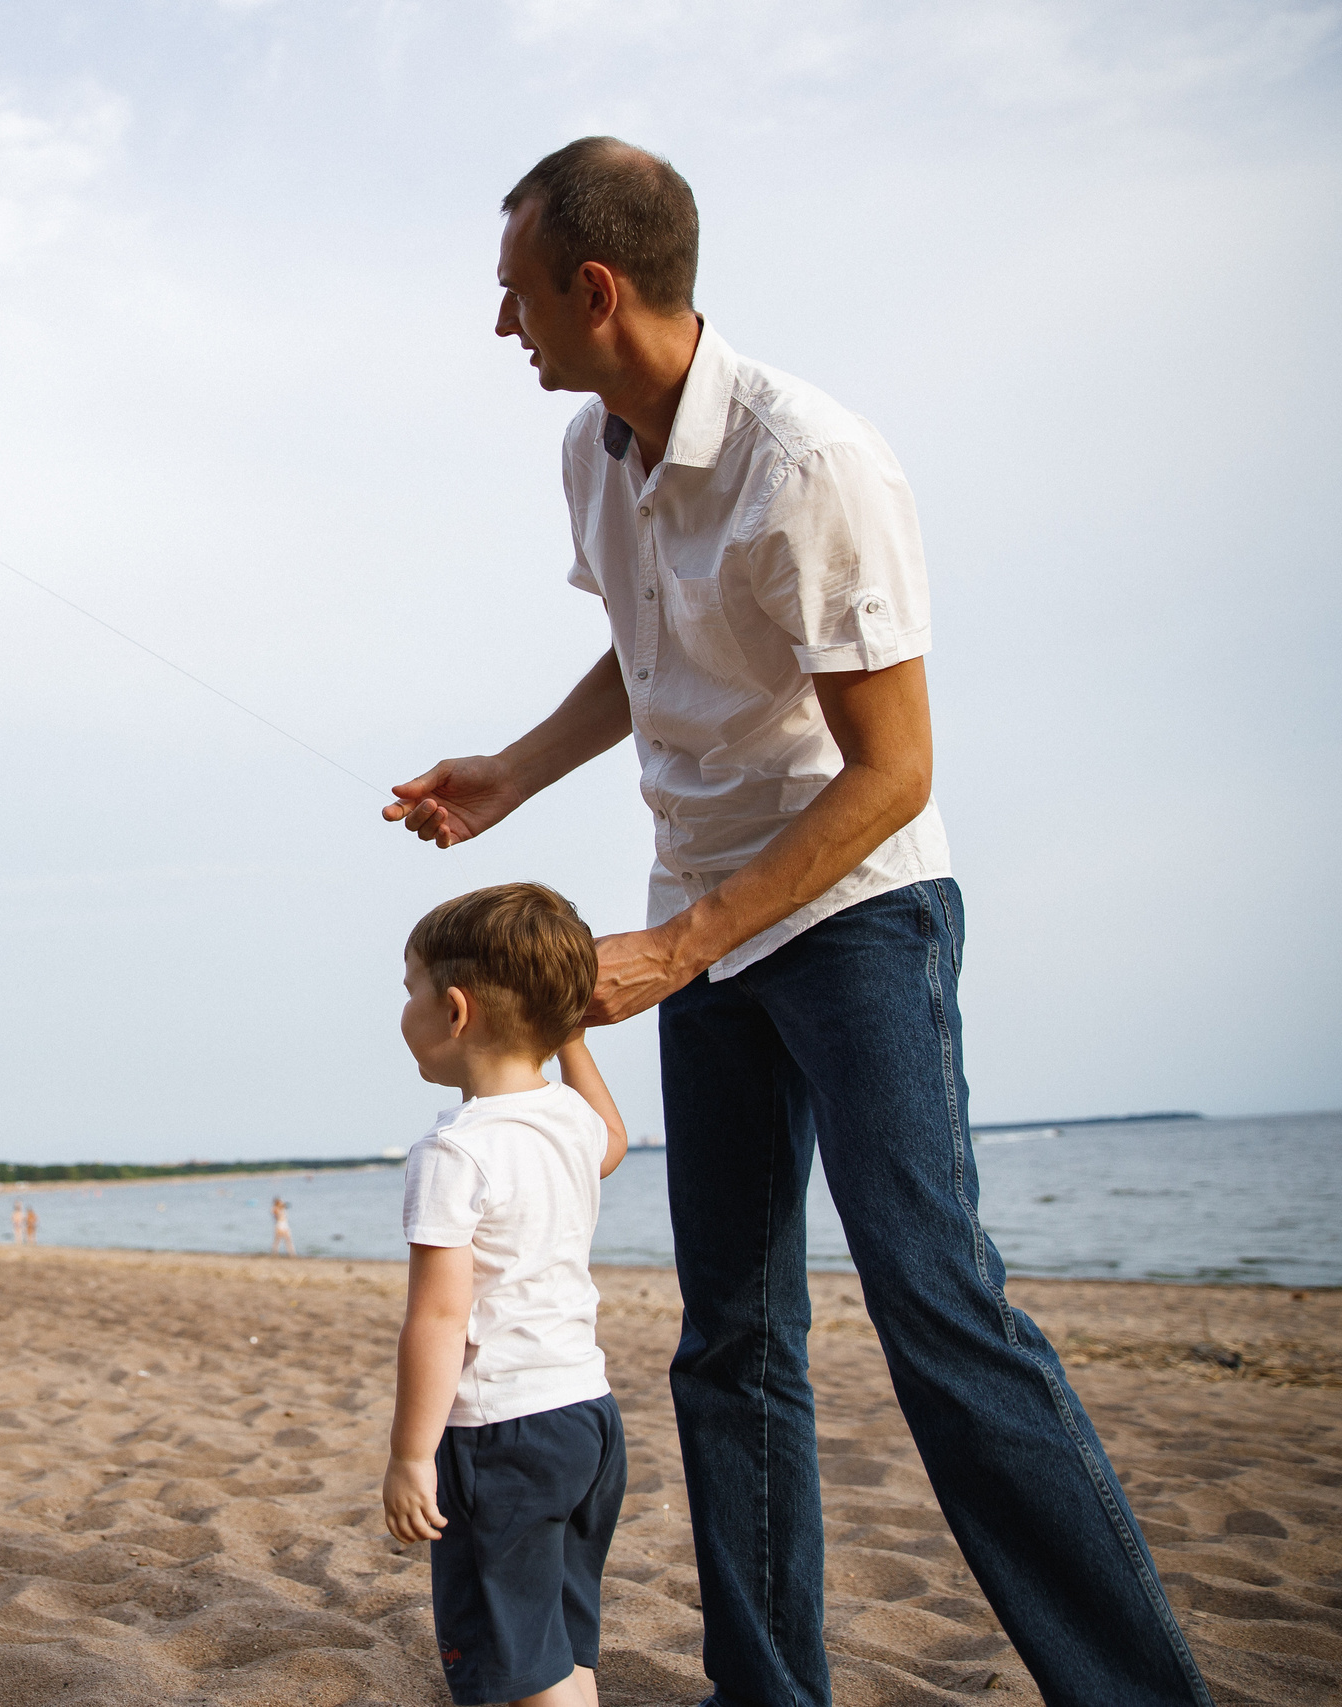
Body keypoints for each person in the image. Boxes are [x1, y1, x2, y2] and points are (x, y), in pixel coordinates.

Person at [384, 137, 1209, 1706]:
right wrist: (511, 772)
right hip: (699, 925)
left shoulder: (810, 460)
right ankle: (770, 1689)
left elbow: (894, 771)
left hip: (853, 918)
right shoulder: (592, 449)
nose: (505, 327)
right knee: (731, 1341)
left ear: (597, 287)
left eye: (516, 294)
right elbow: (651, 651)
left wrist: (688, 945)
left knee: (938, 1309)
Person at [384, 883, 631, 1707]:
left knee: (512, 1655)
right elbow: (613, 1140)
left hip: (501, 1432)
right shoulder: (565, 1119)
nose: (406, 1009)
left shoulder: (454, 1152)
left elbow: (440, 1317)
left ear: (455, 1011)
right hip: (587, 1418)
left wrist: (412, 1453)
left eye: (409, 989)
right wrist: (574, 1042)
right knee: (557, 1628)